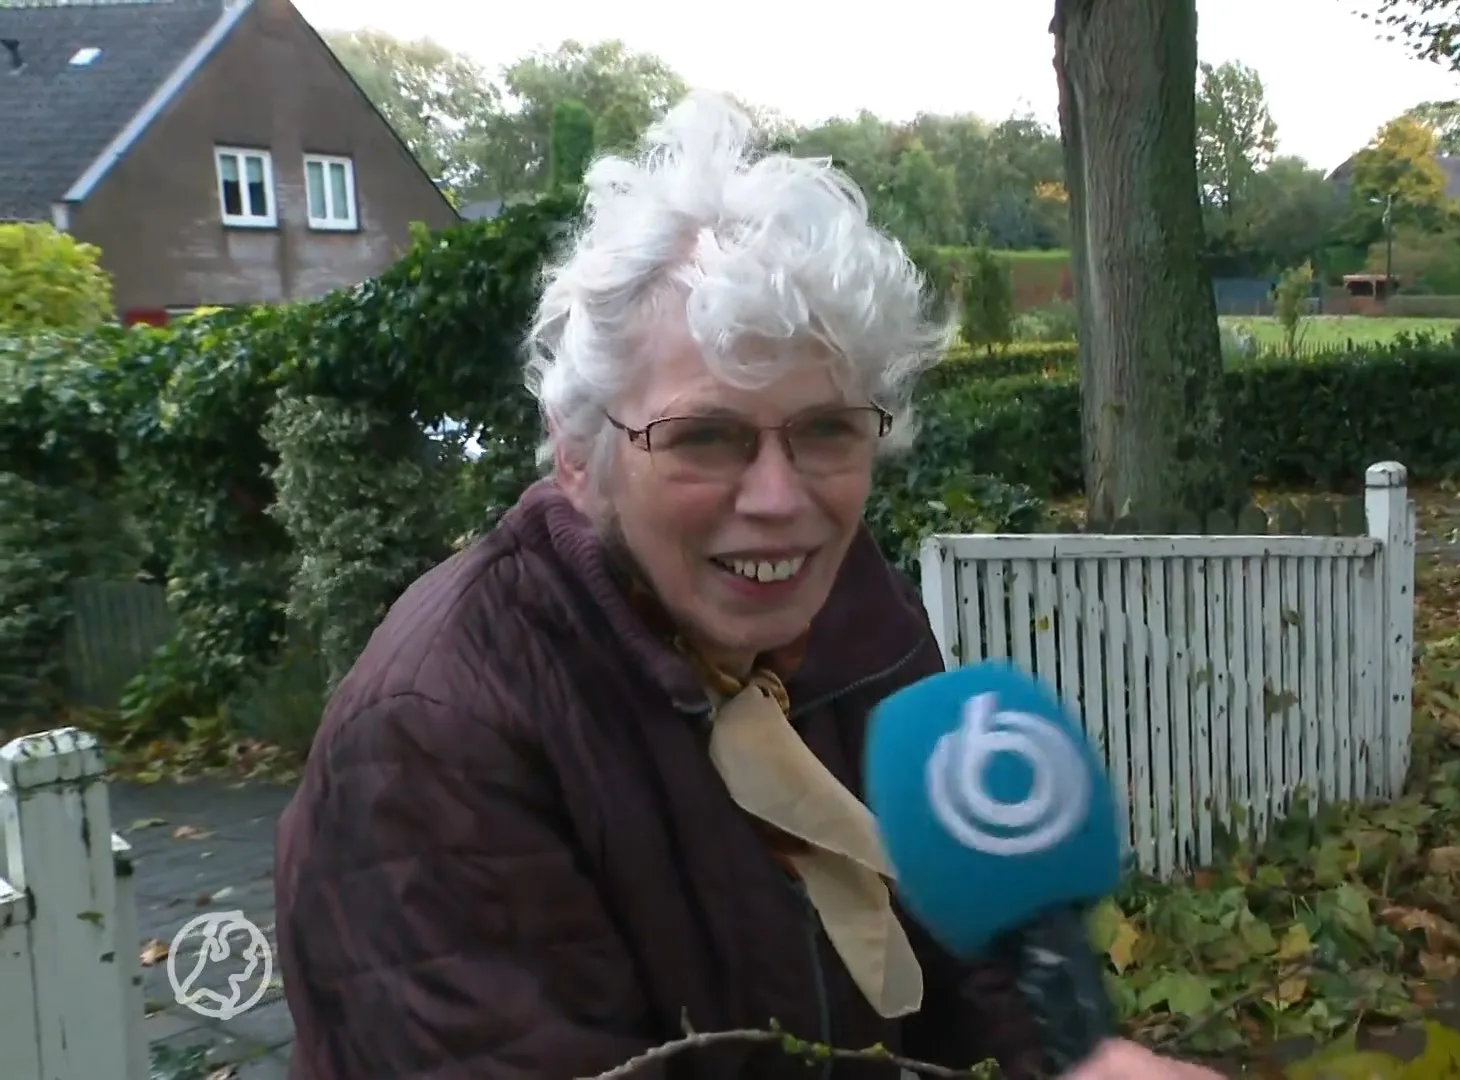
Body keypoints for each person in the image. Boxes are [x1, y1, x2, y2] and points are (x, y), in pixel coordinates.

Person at [272, 90, 1223, 1080]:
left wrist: (1070, 1062)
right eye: (705, 436)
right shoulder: (440, 734)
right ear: (578, 452)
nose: (778, 500)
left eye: (825, 430)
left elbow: (961, 966)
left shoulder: (859, 612)